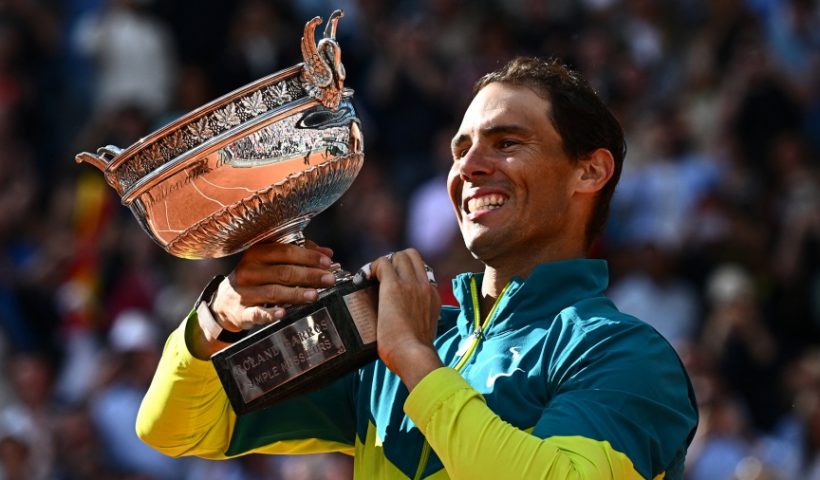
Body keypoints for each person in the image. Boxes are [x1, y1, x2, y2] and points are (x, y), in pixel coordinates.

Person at [136, 57, 698, 479]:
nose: (469, 167)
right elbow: (176, 429)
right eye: (460, 149)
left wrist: (414, 360)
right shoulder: (392, 347)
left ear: (589, 172)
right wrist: (215, 320)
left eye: (507, 142)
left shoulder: (623, 354)